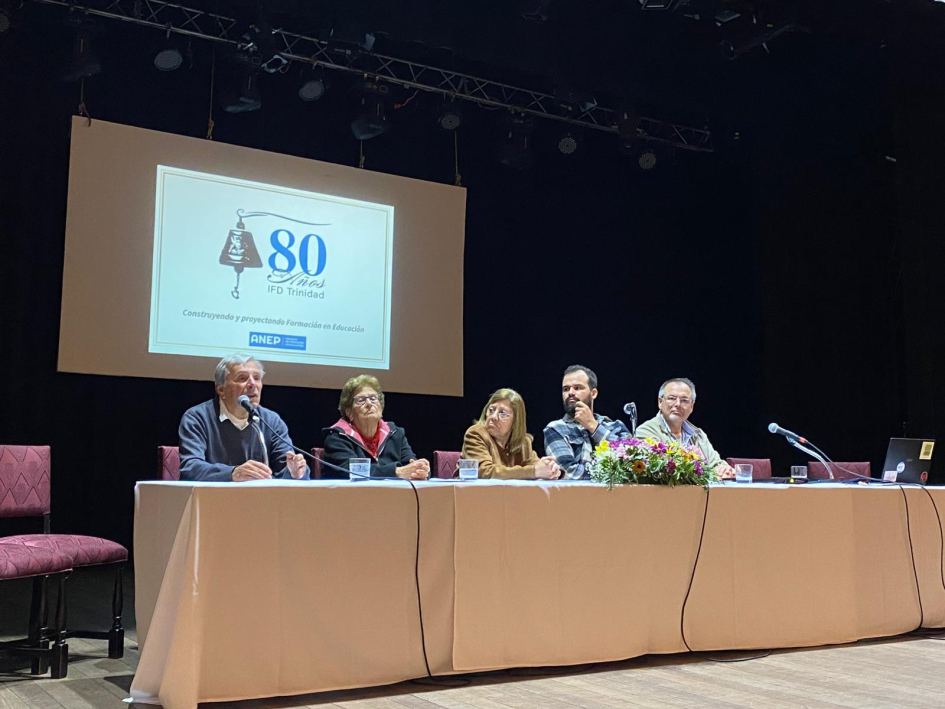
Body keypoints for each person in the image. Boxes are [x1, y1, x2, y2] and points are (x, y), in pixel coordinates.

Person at [179, 354, 308, 482]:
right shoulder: (197, 418)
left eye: (256, 378)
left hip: (260, 495)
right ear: (221, 390)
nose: (252, 384)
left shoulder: (271, 421)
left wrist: (296, 471)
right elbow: (190, 468)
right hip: (212, 495)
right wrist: (232, 473)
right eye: (242, 378)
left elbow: (286, 467)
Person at [323, 375, 430, 479]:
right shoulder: (337, 438)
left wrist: (420, 470)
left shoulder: (396, 433)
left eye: (373, 398)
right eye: (361, 400)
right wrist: (396, 472)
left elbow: (410, 464)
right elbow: (352, 471)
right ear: (349, 412)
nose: (369, 403)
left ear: (381, 407)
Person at [633, 377, 735, 480]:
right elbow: (662, 469)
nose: (677, 404)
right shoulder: (645, 431)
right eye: (672, 398)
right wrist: (709, 473)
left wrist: (724, 470)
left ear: (691, 406)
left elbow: (716, 463)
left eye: (684, 400)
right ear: (660, 402)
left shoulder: (698, 434)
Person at [543, 365, 631, 479]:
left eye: (577, 388)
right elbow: (570, 474)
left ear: (593, 393)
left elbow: (632, 461)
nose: (570, 392)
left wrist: (594, 426)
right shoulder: (555, 429)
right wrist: (615, 474)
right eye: (566, 389)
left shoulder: (615, 426)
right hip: (579, 491)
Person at [462, 388, 560, 479]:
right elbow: (484, 472)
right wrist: (533, 472)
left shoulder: (523, 442)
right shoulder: (475, 434)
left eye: (503, 413)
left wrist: (551, 470)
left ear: (515, 421)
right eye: (491, 410)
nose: (493, 417)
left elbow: (536, 465)